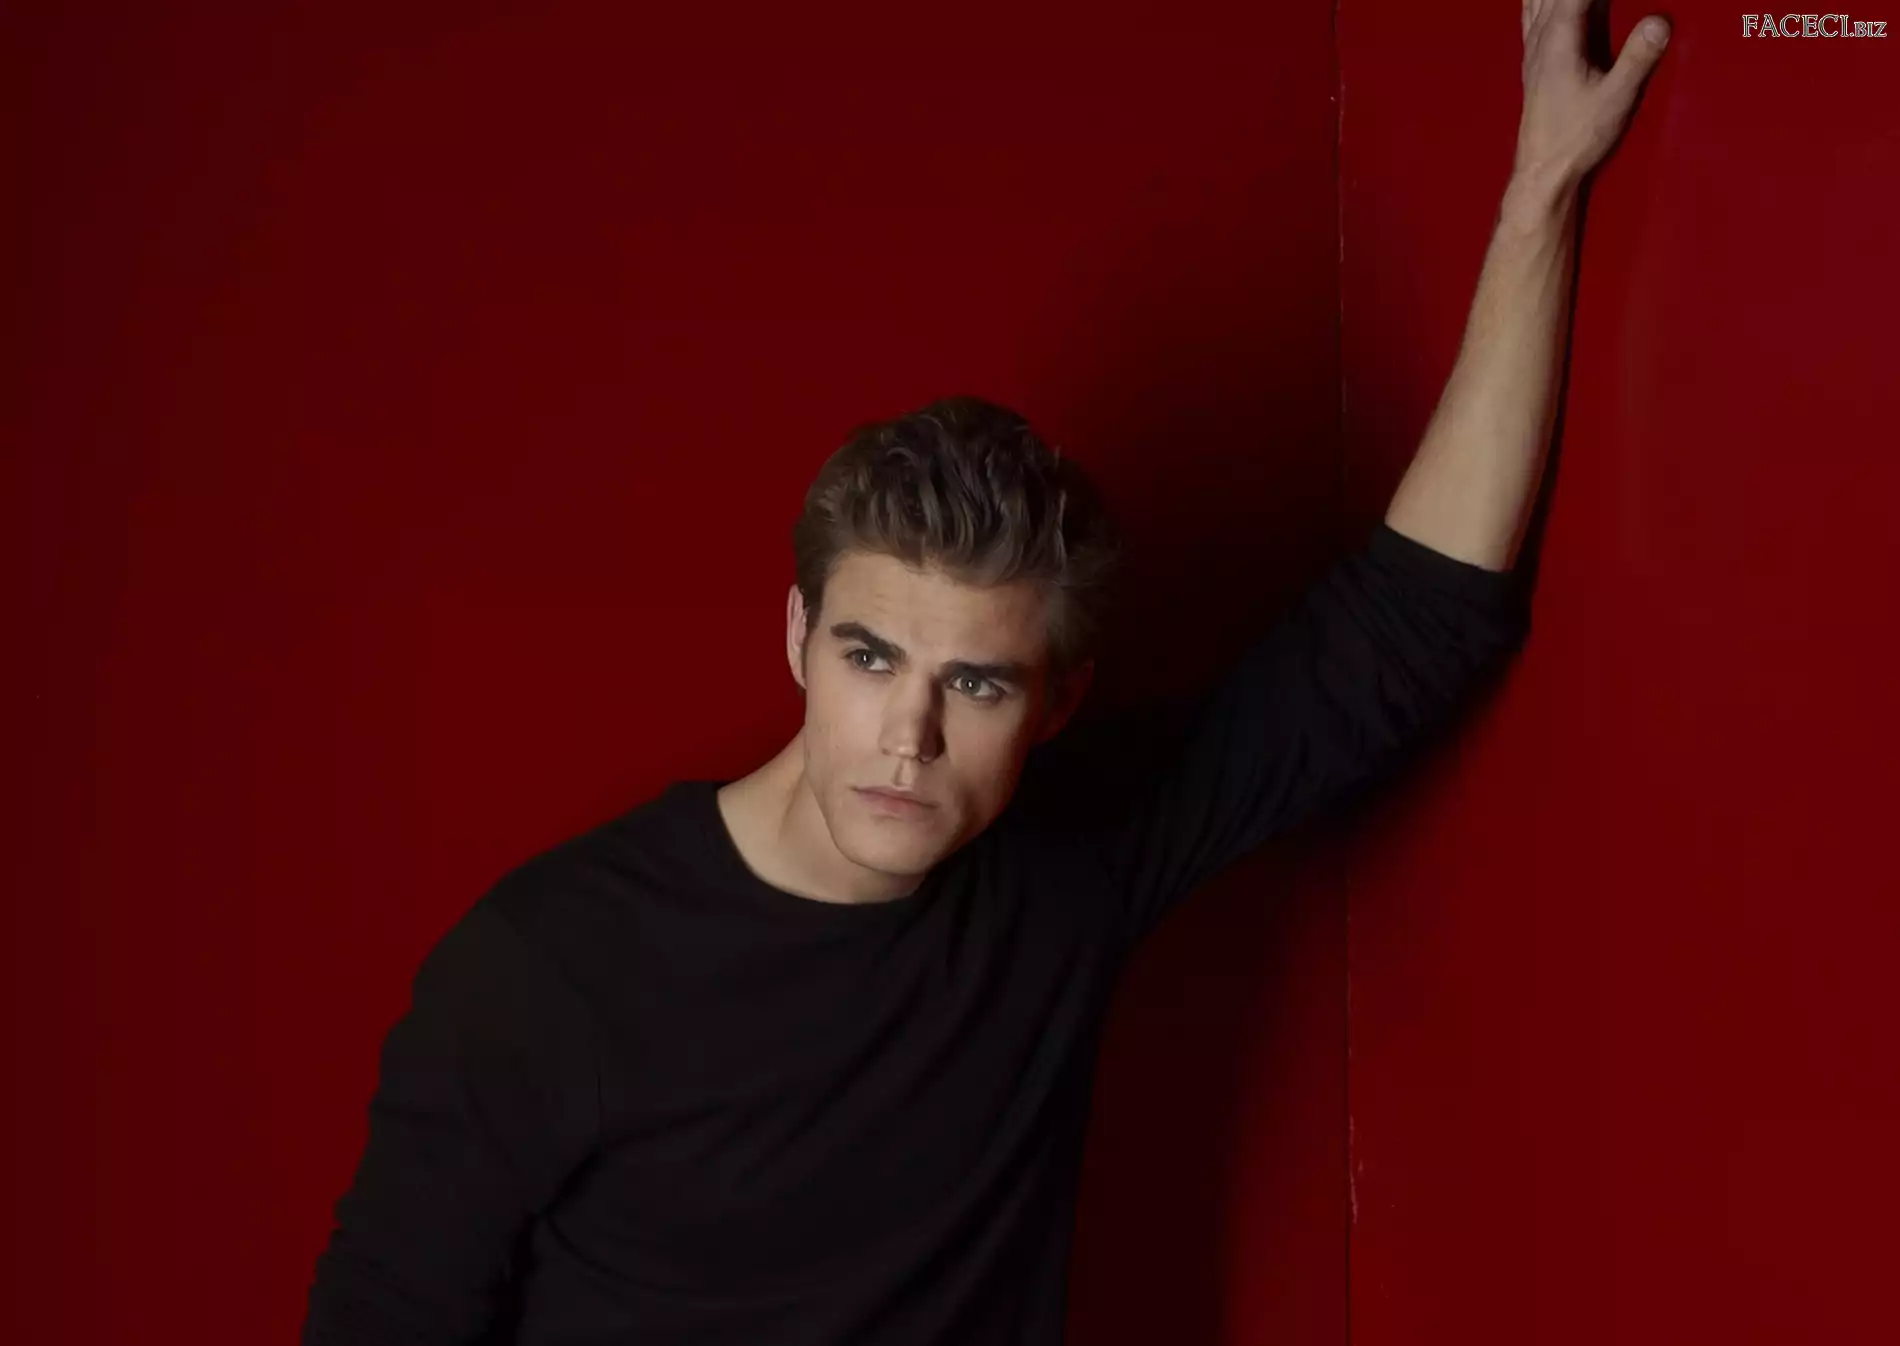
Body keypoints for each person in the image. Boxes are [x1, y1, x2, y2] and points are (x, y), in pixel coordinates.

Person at [302, 6, 1669, 1342]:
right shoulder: (548, 970)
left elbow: (1407, 628)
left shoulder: (1068, 867)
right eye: (870, 656)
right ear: (797, 636)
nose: (909, 732)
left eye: (976, 684)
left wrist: (1540, 194)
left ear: (1057, 700)